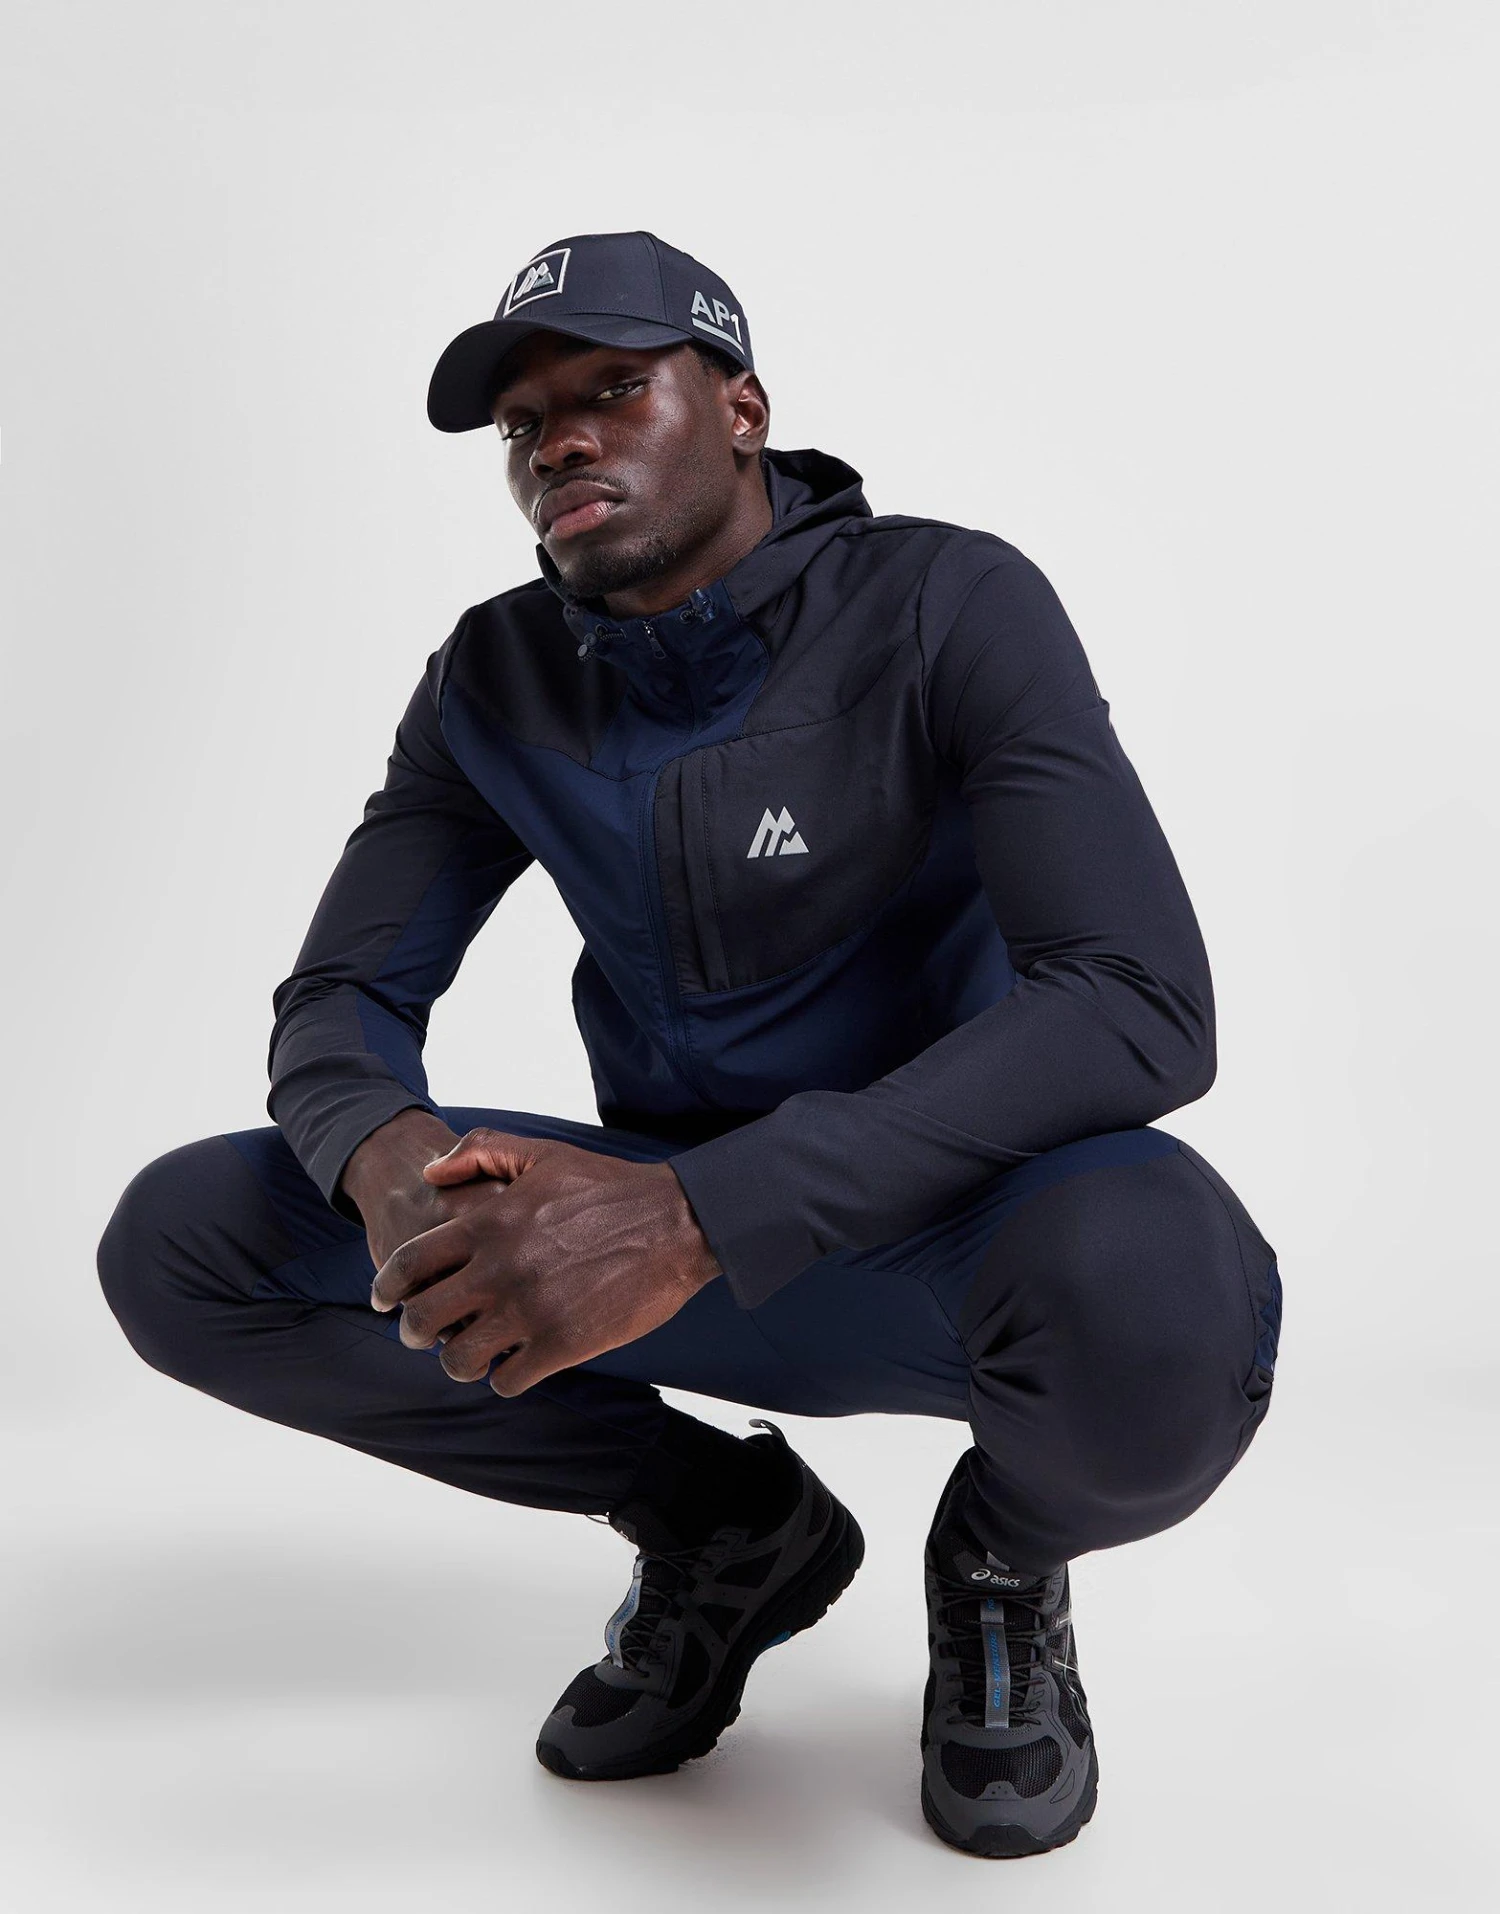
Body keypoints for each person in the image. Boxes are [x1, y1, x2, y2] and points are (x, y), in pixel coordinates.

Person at [96, 229, 1283, 1859]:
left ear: (741, 409)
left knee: (1165, 1290)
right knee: (190, 1238)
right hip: (661, 1259)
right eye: (525, 424)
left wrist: (690, 1216)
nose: (558, 441)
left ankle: (1001, 1560)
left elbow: (1138, 998)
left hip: (963, 1232)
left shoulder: (948, 600)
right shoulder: (493, 677)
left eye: (612, 390)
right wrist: (393, 1171)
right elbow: (338, 1003)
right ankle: (723, 1525)